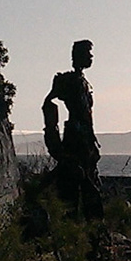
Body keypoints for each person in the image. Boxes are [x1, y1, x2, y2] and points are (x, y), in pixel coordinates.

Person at [42, 39, 103, 219]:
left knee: (90, 187)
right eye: (88, 53)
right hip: (75, 137)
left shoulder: (83, 82)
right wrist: (52, 134)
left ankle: (91, 231)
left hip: (85, 138)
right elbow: (49, 102)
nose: (91, 57)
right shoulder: (68, 80)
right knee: (72, 187)